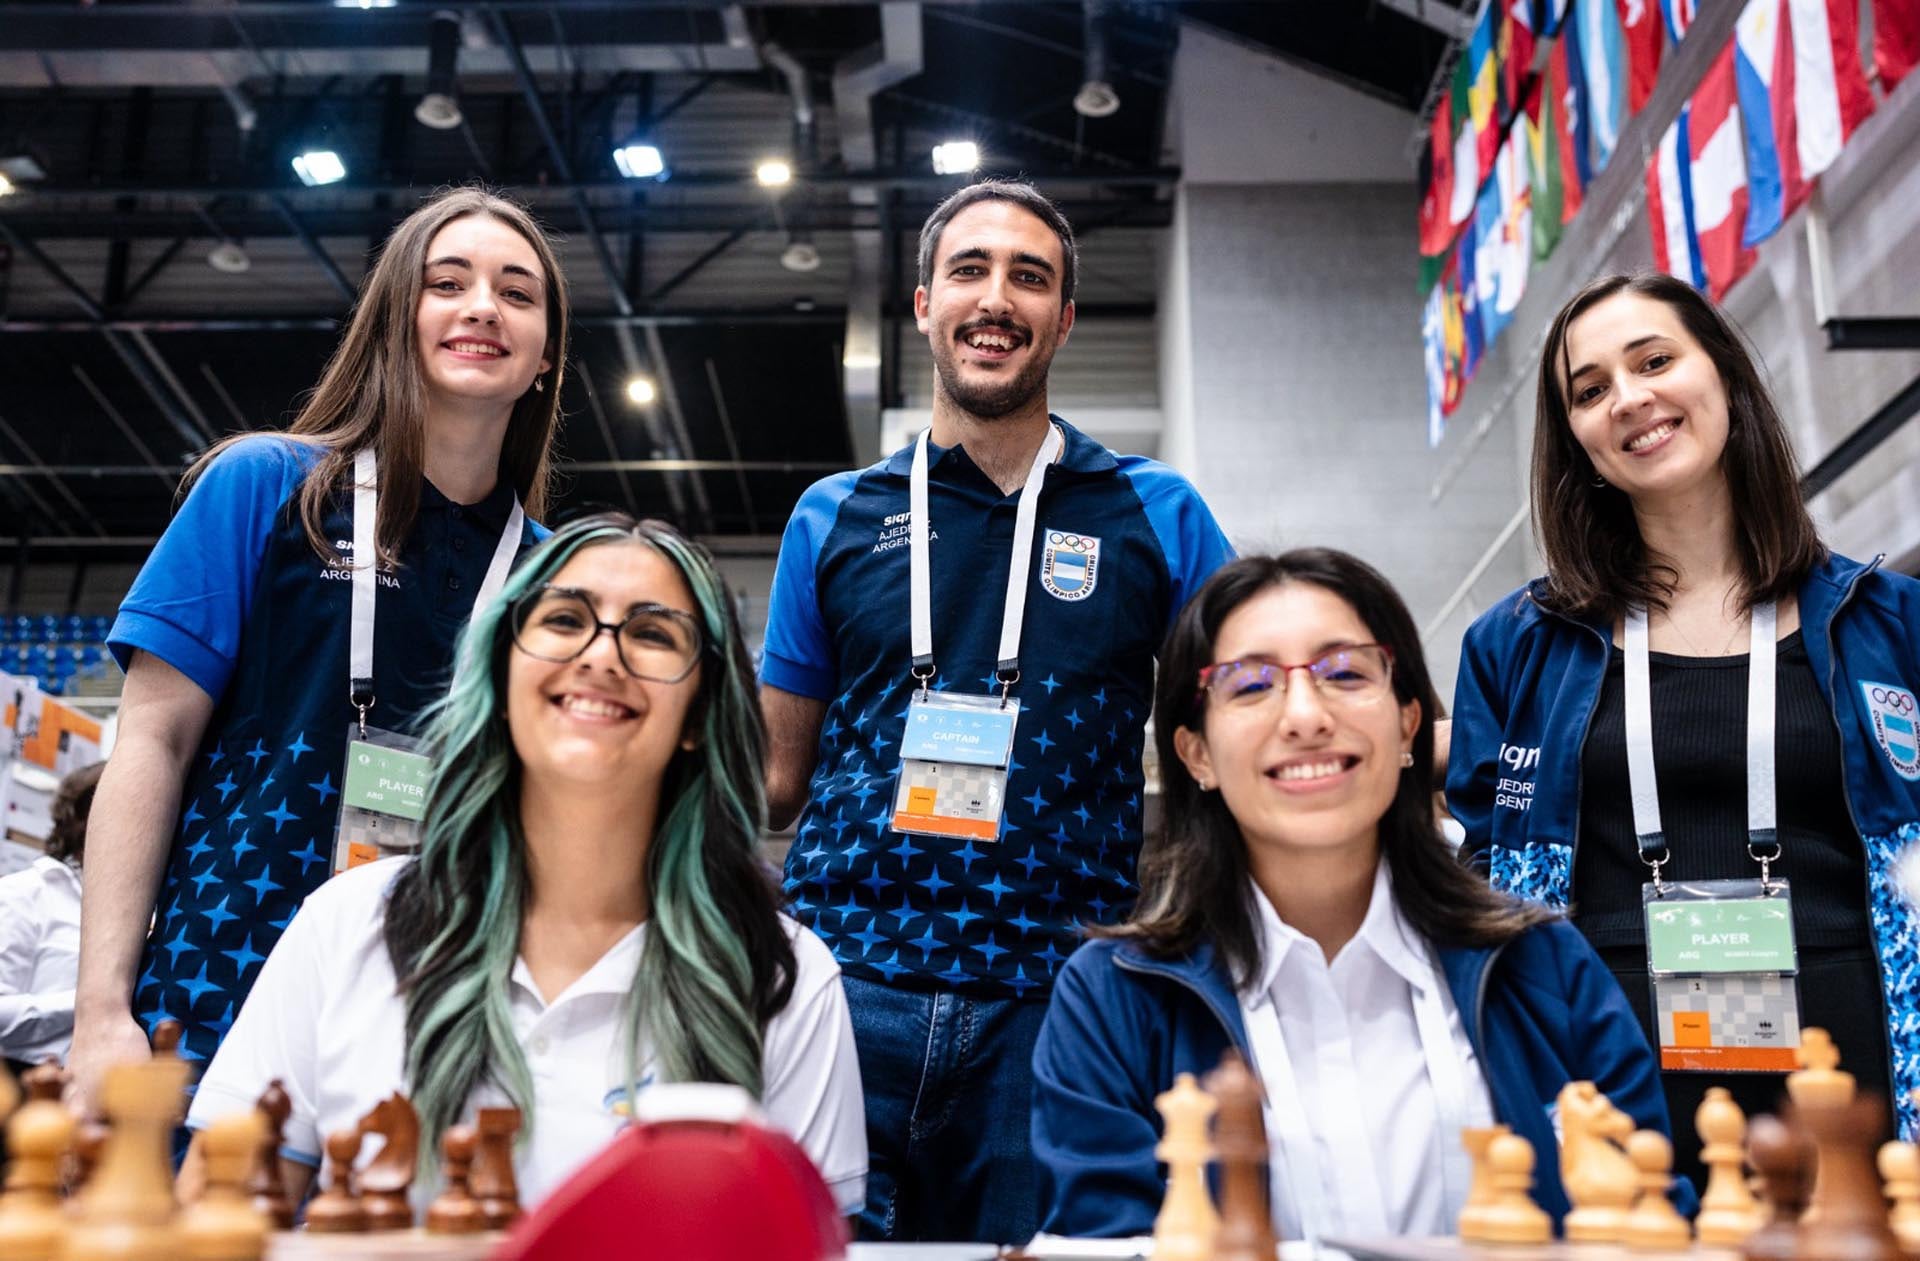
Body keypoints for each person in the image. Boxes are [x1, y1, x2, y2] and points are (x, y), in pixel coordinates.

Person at [758, 178, 1232, 1243]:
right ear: (923, 304)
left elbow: (1241, 719)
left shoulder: (1157, 512)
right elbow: (777, 779)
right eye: (968, 270)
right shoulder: (832, 516)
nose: (995, 298)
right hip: (846, 985)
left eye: (1030, 277)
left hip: (1058, 992)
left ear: (1064, 319)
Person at [180, 514, 866, 1213]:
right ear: (503, 672)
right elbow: (214, 1220)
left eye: (654, 633)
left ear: (698, 715)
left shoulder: (789, 979)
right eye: (565, 619)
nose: (602, 655)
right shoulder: (347, 922)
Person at [70, 187, 567, 1109]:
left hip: (446, 1005)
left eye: (517, 293)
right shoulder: (263, 486)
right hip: (219, 970)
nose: (483, 307)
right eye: (446, 282)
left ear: (543, 357)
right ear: (393, 321)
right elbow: (151, 742)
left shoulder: (555, 577)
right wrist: (100, 1011)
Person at [1033, 550, 1682, 1241]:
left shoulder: (1545, 965)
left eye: (1344, 673)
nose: (1306, 716)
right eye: (1251, 685)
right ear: (1195, 754)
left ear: (1408, 725)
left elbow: (1654, 1226)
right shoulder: (1110, 1000)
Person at [1447, 272, 1920, 1186]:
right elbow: (1471, 886)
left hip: (1858, 1075)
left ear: (1726, 380)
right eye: (1590, 390)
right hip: (1612, 1079)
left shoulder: (1890, 623)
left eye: (1655, 360)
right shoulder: (1515, 645)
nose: (1630, 398)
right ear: (1578, 440)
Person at [0, 760, 105, 1071]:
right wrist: (94, 1001)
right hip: (21, 1088)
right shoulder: (27, 893)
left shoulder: (142, 910)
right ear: (86, 819)